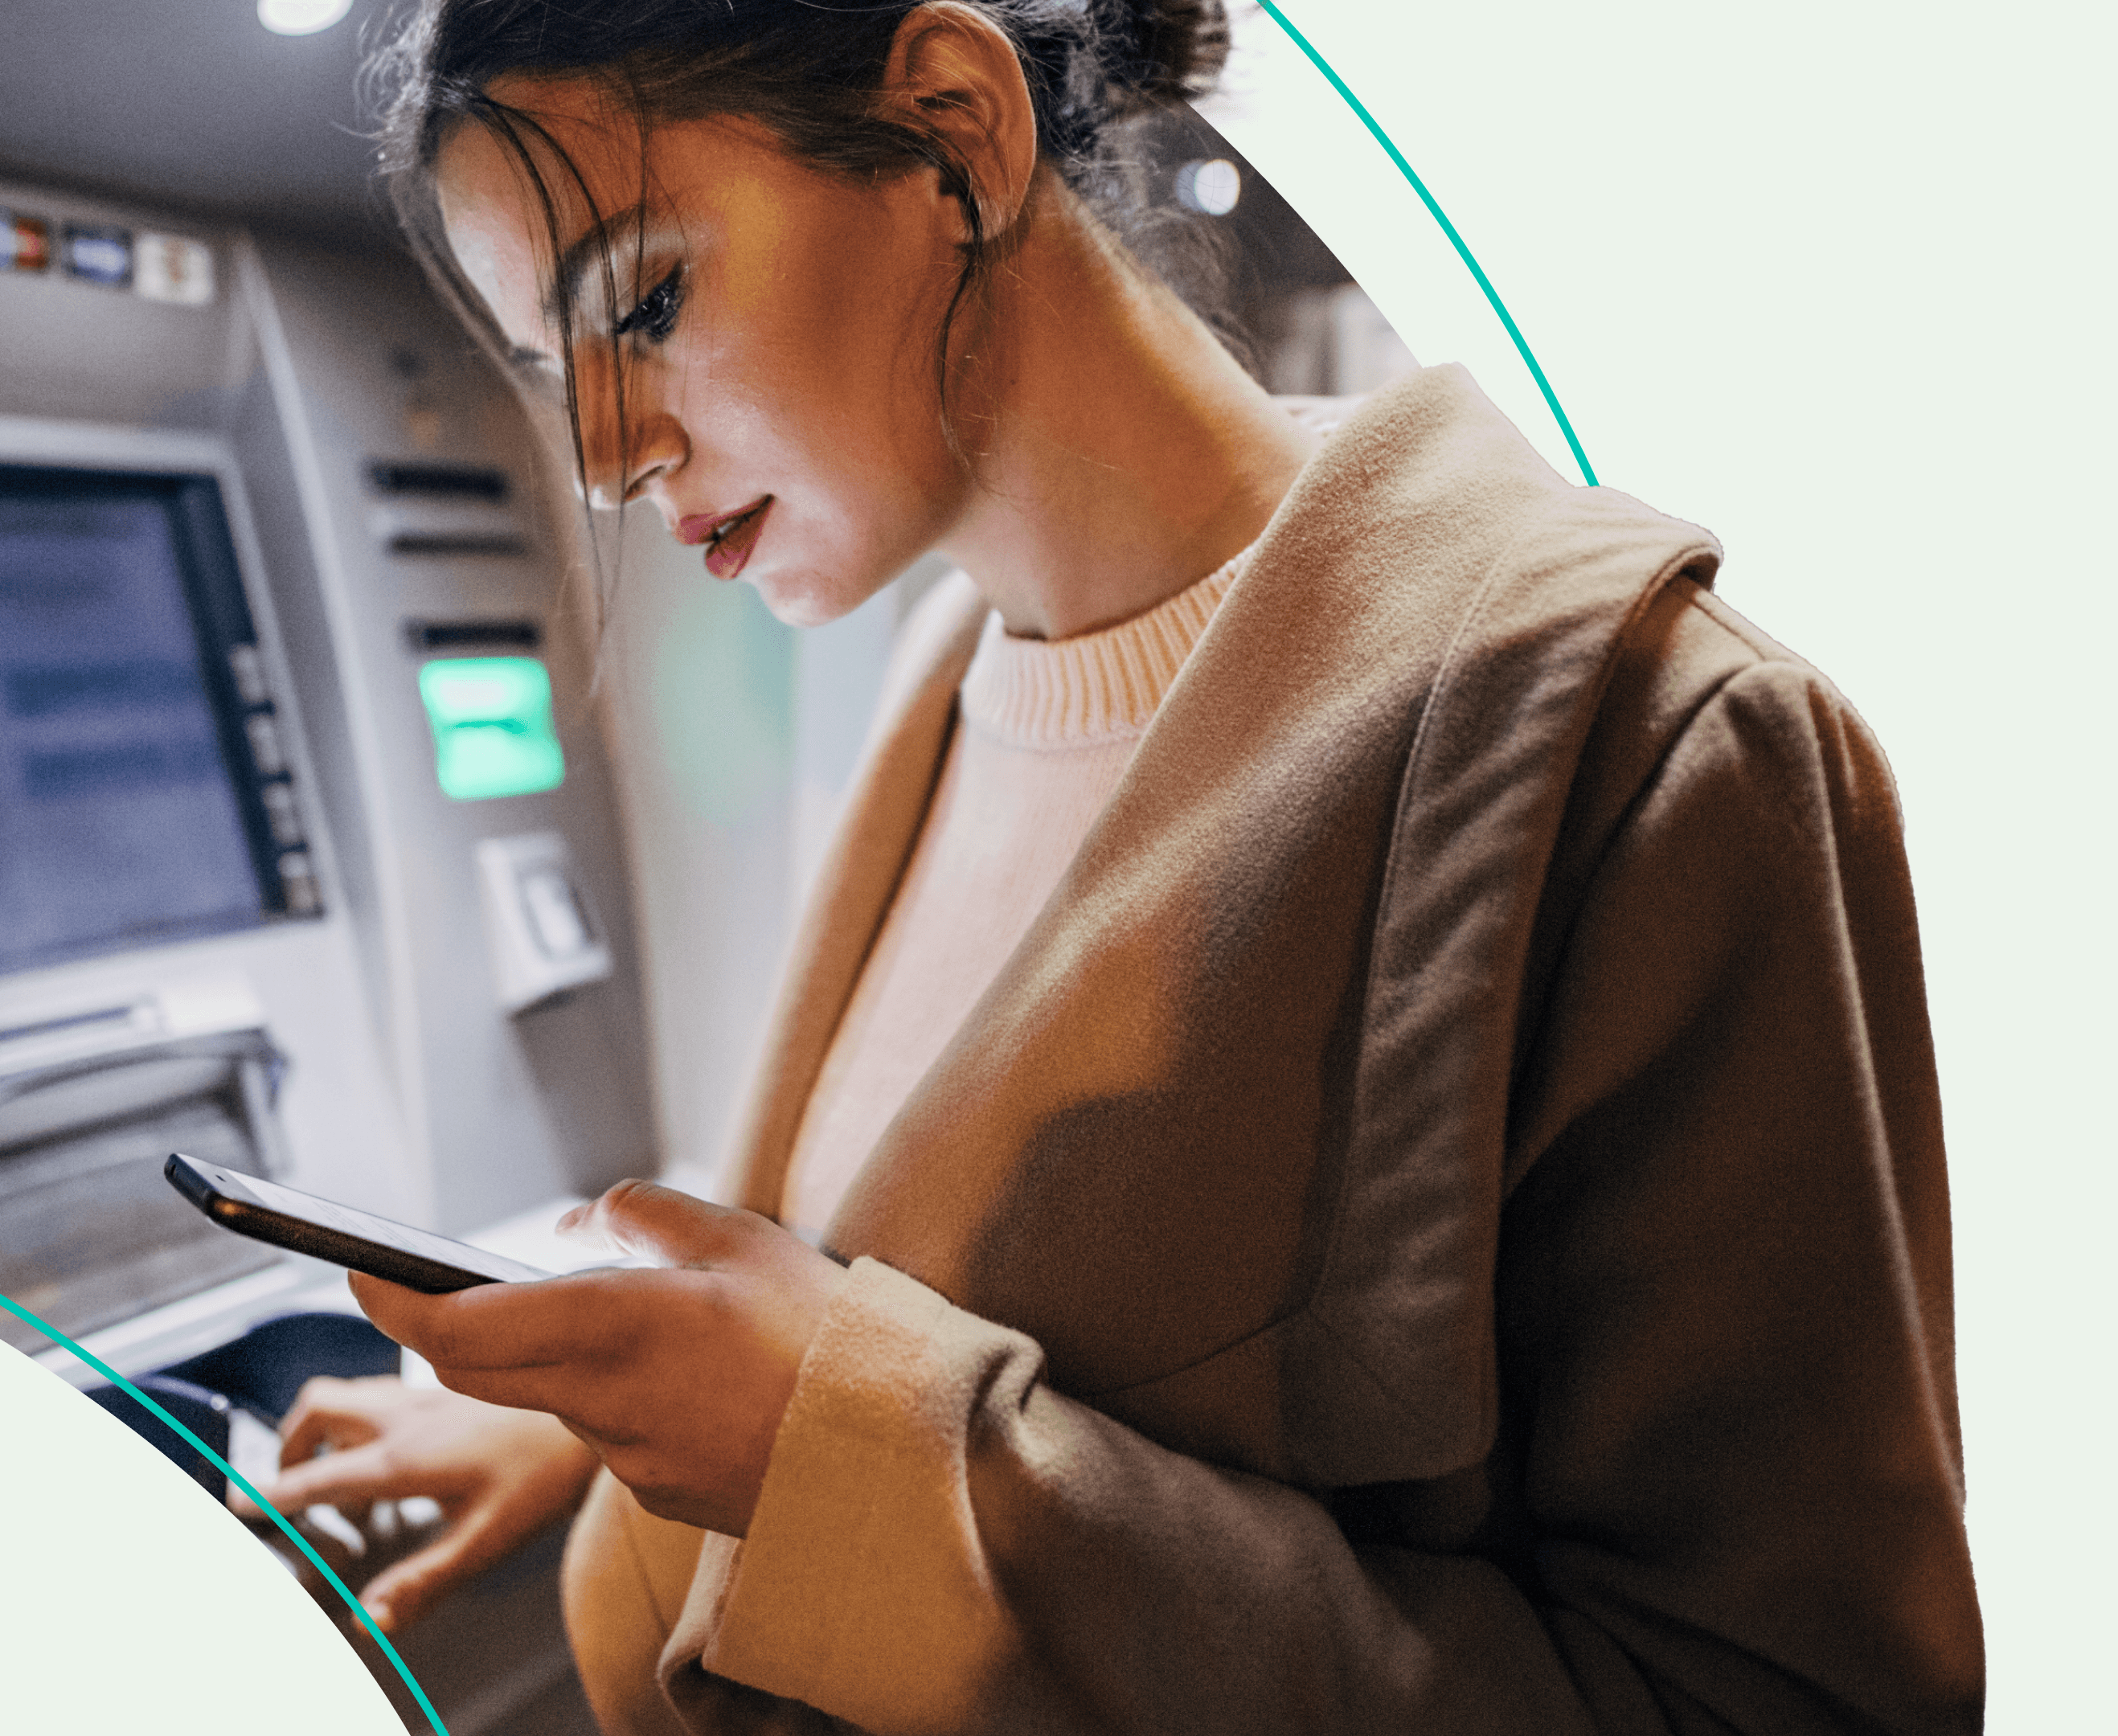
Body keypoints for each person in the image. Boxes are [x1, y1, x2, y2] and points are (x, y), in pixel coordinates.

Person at [259, 2, 1985, 1730]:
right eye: (555, 371)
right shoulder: (948, 675)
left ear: (956, 132)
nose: (604, 459)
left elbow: (1768, 1698)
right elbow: (902, 1267)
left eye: (645, 305)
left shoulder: (1659, 744)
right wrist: (606, 1422)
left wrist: (835, 1465)